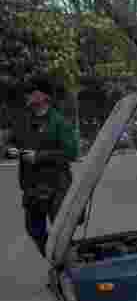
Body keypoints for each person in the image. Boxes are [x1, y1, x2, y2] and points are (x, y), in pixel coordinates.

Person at [8, 75, 79, 258]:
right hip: (32, 187)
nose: (27, 96)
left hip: (57, 185)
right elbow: (10, 143)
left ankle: (66, 268)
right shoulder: (24, 121)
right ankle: (57, 260)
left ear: (44, 96)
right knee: (35, 230)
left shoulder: (59, 122)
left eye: (31, 92)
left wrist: (39, 157)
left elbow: (71, 153)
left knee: (62, 234)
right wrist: (10, 150)